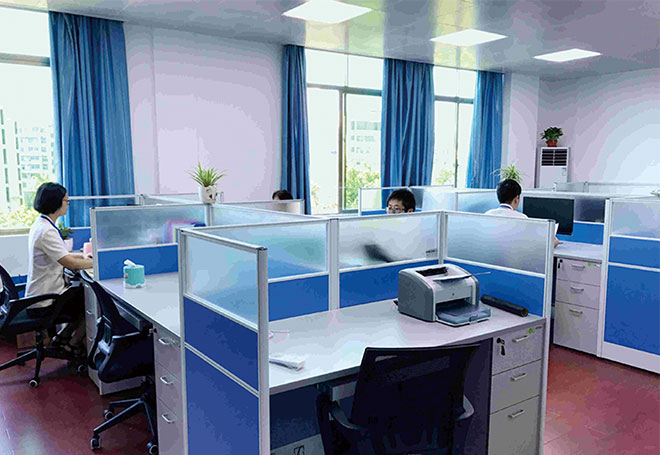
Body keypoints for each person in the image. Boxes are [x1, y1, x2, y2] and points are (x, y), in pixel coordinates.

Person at [26, 182, 94, 357]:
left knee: (82, 295)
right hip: (44, 301)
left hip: (40, 294)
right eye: (66, 201)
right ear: (56, 202)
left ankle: (62, 338)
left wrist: (85, 257)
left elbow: (64, 255)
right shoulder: (46, 231)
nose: (68, 204)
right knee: (91, 302)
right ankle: (73, 343)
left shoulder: (42, 224)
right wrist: (97, 263)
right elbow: (70, 264)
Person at [485, 179, 559, 247]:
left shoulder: (488, 215)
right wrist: (552, 243)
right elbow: (535, 246)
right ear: (516, 199)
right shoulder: (522, 219)